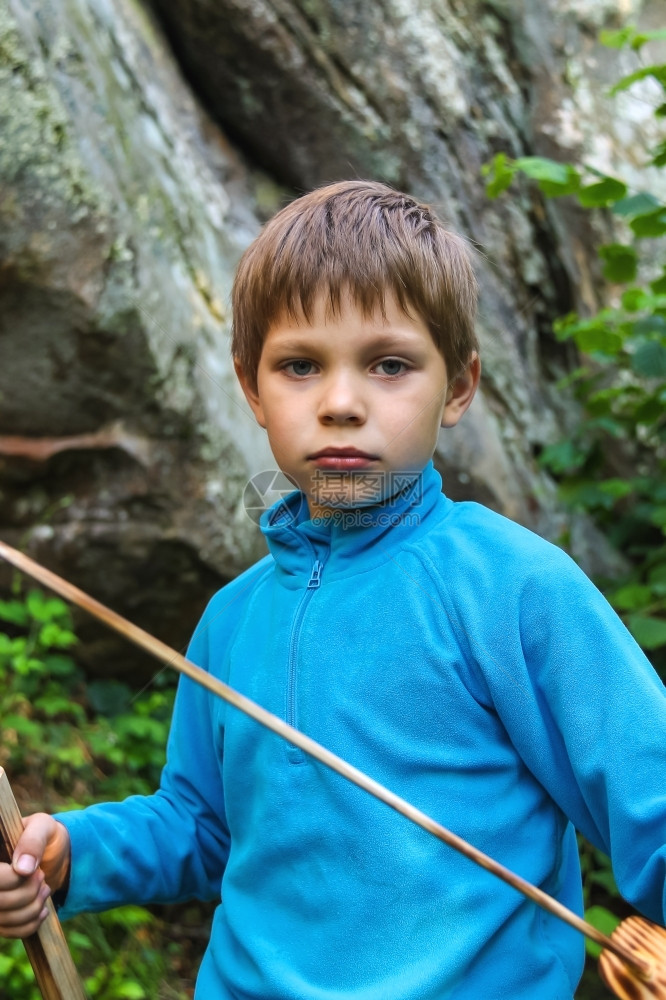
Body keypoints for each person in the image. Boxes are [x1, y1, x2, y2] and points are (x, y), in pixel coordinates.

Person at [0, 180, 665, 999]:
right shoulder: (232, 619)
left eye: (389, 365)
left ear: (458, 386)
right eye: (300, 366)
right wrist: (75, 852)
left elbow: (652, 795)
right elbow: (205, 826)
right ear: (252, 388)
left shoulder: (516, 590)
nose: (341, 403)